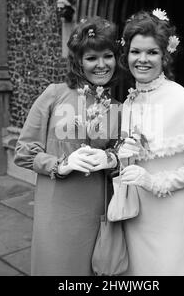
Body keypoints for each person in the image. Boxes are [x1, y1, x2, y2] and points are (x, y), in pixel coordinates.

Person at [117, 9, 184, 275]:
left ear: (165, 56)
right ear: (126, 54)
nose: (142, 59)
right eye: (135, 51)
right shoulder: (129, 101)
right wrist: (120, 154)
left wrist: (156, 182)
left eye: (152, 52)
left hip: (169, 215)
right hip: (132, 212)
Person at [14, 17, 121, 275]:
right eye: (91, 58)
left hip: (96, 209)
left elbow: (122, 161)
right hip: (56, 209)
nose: (101, 65)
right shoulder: (54, 94)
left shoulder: (116, 107)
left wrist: (111, 159)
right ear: (78, 61)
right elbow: (24, 152)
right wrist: (60, 165)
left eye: (107, 56)